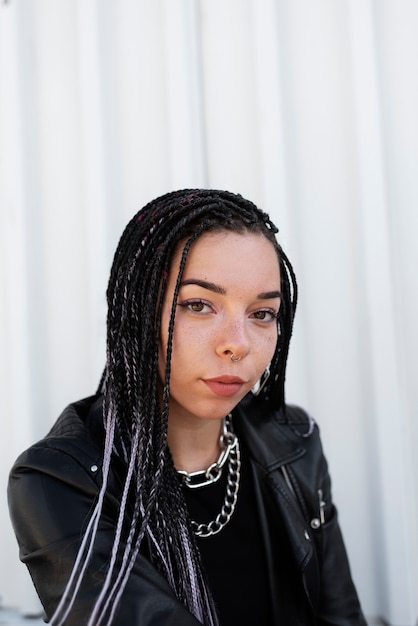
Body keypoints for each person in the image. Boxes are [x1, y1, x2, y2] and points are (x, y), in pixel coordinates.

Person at [8, 189, 367, 626]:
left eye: (262, 313)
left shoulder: (293, 441)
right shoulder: (60, 478)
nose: (238, 343)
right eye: (199, 305)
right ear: (138, 312)